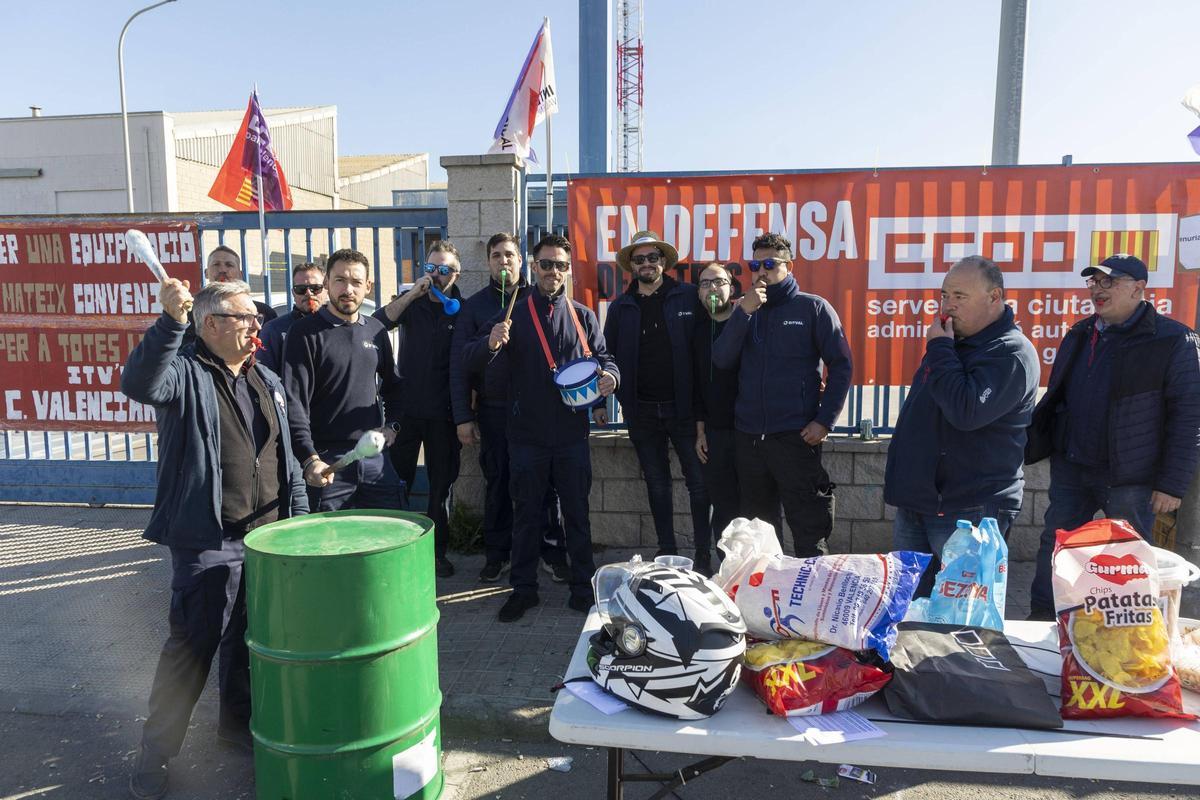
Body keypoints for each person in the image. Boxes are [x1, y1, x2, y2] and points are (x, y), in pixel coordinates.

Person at [122, 279, 307, 800]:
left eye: (256, 319)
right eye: (245, 317)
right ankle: (155, 756)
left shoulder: (266, 377)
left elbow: (285, 456)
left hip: (269, 537)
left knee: (250, 642)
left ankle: (236, 727)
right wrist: (169, 323)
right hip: (208, 539)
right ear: (210, 324)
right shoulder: (185, 373)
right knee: (193, 646)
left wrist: (303, 524)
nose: (256, 327)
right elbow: (140, 383)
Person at [1026, 254, 1200, 619]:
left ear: (1139, 289)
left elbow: (1189, 417)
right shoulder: (1080, 333)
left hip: (1131, 478)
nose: (1099, 290)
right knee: (1057, 546)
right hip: (1073, 468)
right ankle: (1043, 620)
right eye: (1094, 282)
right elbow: (1060, 394)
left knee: (1129, 558)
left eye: (1110, 282)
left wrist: (1171, 484)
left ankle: (1130, 631)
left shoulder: (1173, 339)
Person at [466, 234, 618, 622]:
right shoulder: (513, 312)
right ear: (534, 268)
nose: (553, 271)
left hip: (571, 435)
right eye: (546, 264)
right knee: (527, 515)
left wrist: (609, 380)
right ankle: (523, 589)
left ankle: (583, 587)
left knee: (577, 514)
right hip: (526, 435)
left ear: (569, 270)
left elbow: (604, 358)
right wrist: (492, 344)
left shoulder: (582, 315)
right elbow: (471, 358)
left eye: (561, 265)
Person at [883, 255, 1039, 595]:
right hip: (920, 501)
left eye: (959, 296)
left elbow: (965, 412)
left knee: (963, 618)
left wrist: (940, 348)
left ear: (995, 297)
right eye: (944, 295)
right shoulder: (952, 343)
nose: (948, 305)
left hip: (970, 507)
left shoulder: (1010, 354)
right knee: (905, 607)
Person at [712, 232, 852, 557]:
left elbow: (842, 366)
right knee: (760, 535)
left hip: (795, 437)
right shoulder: (745, 310)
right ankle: (770, 601)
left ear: (788, 265)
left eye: (769, 264)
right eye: (754, 264)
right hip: (749, 439)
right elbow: (721, 359)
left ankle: (813, 601)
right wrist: (743, 313)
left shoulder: (812, 308)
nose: (761, 271)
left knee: (809, 530)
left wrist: (824, 421)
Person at [449, 232, 570, 583]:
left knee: (546, 486)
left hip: (537, 412)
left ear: (523, 263)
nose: (504, 261)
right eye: (497, 255)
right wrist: (463, 417)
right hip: (495, 409)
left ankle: (550, 551)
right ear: (488, 262)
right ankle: (497, 553)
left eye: (510, 255)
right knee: (499, 482)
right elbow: (461, 365)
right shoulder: (475, 307)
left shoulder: (540, 299)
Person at [601, 231, 711, 570]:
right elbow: (607, 357)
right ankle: (667, 554)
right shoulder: (621, 307)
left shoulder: (689, 297)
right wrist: (599, 402)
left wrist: (703, 416)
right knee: (657, 485)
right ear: (631, 266)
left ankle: (704, 557)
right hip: (641, 412)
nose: (647, 264)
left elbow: (705, 353)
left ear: (663, 262)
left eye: (653, 257)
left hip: (685, 411)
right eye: (640, 259)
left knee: (699, 485)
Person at [282, 248, 404, 512]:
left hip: (374, 458)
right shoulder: (304, 334)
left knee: (385, 537)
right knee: (329, 545)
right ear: (327, 283)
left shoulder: (376, 330)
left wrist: (391, 427)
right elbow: (294, 403)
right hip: (327, 461)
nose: (348, 289)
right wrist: (309, 458)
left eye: (356, 282)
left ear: (368, 287)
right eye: (340, 280)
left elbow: (394, 388)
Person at [375, 241, 465, 578]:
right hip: (407, 414)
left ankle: (436, 554)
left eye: (444, 270)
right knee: (399, 485)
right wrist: (412, 293)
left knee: (439, 490)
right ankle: (395, 552)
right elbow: (378, 323)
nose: (436, 276)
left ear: (455, 274)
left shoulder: (462, 308)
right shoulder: (410, 305)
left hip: (444, 416)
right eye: (430, 268)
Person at [693, 262, 741, 560]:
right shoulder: (697, 331)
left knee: (751, 506)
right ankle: (723, 570)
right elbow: (697, 384)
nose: (712, 288)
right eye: (705, 283)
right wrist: (700, 431)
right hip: (715, 431)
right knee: (722, 505)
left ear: (731, 288)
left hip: (749, 429)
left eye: (719, 282)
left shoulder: (747, 321)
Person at [257, 262, 327, 373]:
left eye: (315, 288)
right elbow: (264, 377)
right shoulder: (274, 330)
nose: (308, 293)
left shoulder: (338, 326)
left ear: (326, 290)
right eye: (301, 289)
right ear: (293, 293)